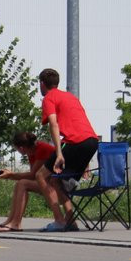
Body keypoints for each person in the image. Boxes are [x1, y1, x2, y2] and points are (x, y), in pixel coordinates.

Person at [35, 67, 98, 232]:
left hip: (75, 142)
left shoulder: (49, 98)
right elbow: (82, 124)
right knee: (56, 180)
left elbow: (54, 124)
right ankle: (70, 221)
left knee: (41, 175)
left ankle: (59, 220)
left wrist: (59, 153)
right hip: (91, 142)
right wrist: (85, 162)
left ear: (42, 84)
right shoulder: (71, 97)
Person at [0, 132, 80, 232]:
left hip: (59, 186)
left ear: (21, 148)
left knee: (22, 183)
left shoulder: (42, 149)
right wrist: (11, 175)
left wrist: (11, 175)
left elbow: (33, 175)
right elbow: (33, 176)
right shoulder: (32, 151)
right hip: (50, 184)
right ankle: (10, 221)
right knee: (20, 183)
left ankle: (16, 223)